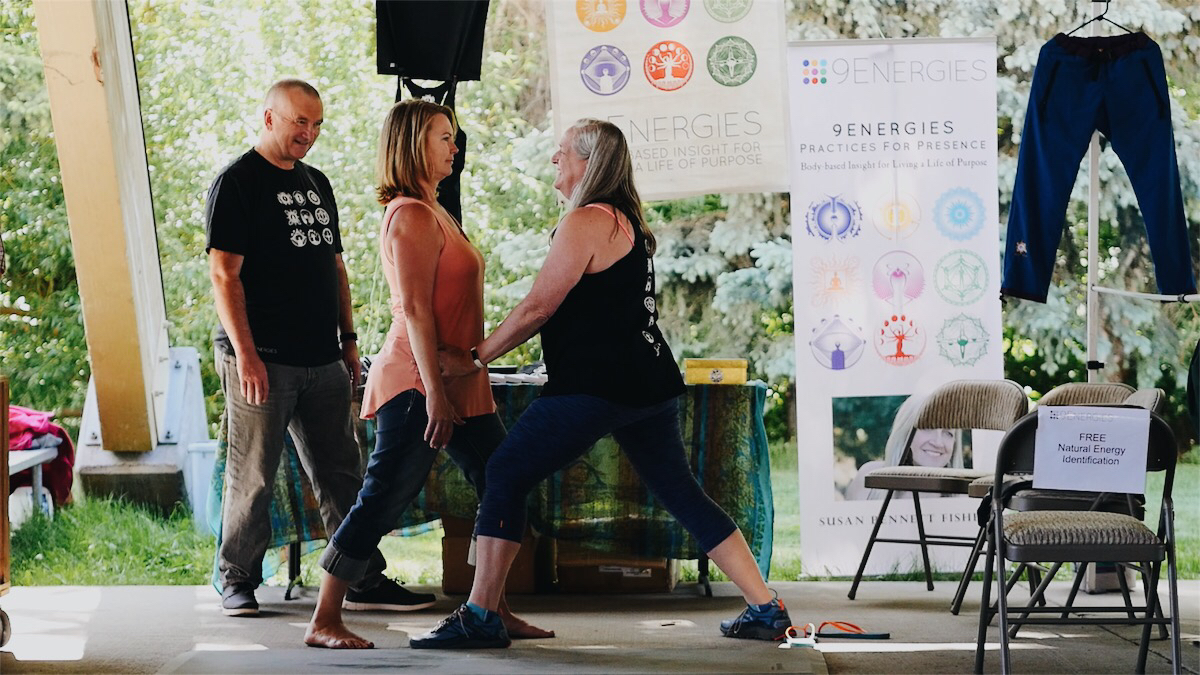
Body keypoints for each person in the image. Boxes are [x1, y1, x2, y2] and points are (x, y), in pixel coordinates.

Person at [410, 119, 793, 649]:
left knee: (505, 470)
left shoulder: (586, 221)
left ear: (589, 163)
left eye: (563, 152)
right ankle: (766, 606)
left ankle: (480, 615)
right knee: (681, 492)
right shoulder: (622, 219)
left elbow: (538, 307)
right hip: (648, 383)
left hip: (598, 387)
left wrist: (475, 358)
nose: (554, 161)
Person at [304, 99, 551, 649]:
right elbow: (414, 310)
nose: (455, 147)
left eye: (454, 137)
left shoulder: (437, 210)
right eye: (445, 137)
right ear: (414, 143)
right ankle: (324, 618)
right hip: (418, 381)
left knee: (504, 480)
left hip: (459, 379)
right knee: (385, 495)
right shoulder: (410, 214)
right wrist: (436, 395)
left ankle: (493, 607)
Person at [206, 79, 429, 618]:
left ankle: (360, 576)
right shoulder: (237, 182)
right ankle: (236, 578)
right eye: (298, 122)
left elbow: (335, 267)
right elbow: (223, 274)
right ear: (269, 118)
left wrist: (348, 341)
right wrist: (248, 354)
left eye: (316, 124)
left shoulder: (316, 182)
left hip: (322, 356)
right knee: (254, 474)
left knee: (342, 472)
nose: (309, 133)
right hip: (261, 357)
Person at [843, 394, 964, 501]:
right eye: (927, 427)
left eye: (948, 433)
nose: (938, 442)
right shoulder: (870, 477)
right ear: (904, 431)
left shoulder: (965, 497)